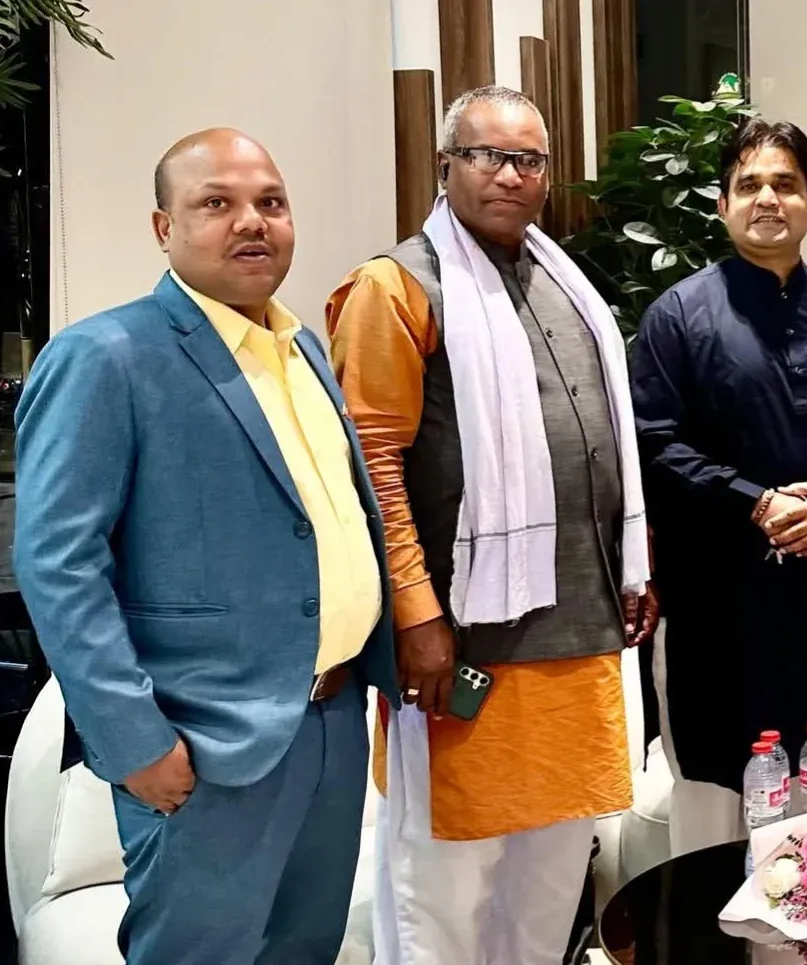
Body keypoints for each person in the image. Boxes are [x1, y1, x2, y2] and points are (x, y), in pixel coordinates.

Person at [12, 129, 399, 965]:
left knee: (304, 950)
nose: (251, 221)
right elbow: (58, 565)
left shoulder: (302, 347)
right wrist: (135, 742)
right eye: (216, 202)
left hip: (330, 725)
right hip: (206, 744)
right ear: (164, 227)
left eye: (270, 202)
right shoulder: (104, 356)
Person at [325, 86, 655, 965]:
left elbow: (602, 449)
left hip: (576, 641)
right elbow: (372, 467)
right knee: (442, 892)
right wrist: (416, 615)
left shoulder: (565, 282)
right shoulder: (395, 286)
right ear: (445, 167)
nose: (509, 175)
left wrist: (634, 568)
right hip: (462, 648)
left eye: (528, 160)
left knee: (548, 886)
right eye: (486, 156)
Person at [630, 118, 807, 855]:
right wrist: (757, 500)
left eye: (785, 184)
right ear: (722, 205)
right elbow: (653, 442)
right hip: (716, 600)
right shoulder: (678, 316)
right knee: (711, 791)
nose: (767, 199)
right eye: (748, 185)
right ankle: (701, 919)